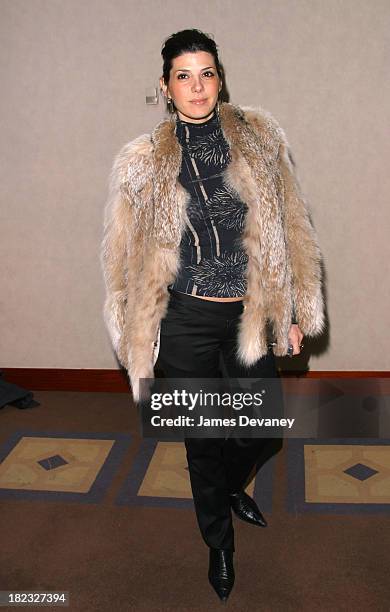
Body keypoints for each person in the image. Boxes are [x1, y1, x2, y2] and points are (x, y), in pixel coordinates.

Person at [101, 29, 324, 603]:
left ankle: (223, 488)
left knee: (263, 425)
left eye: (206, 73)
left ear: (220, 78)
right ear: (165, 86)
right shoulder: (143, 162)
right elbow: (124, 259)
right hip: (184, 321)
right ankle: (219, 543)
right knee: (203, 438)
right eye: (183, 75)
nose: (197, 86)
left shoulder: (258, 138)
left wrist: (293, 309)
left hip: (250, 314)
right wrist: (134, 333)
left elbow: (291, 229)